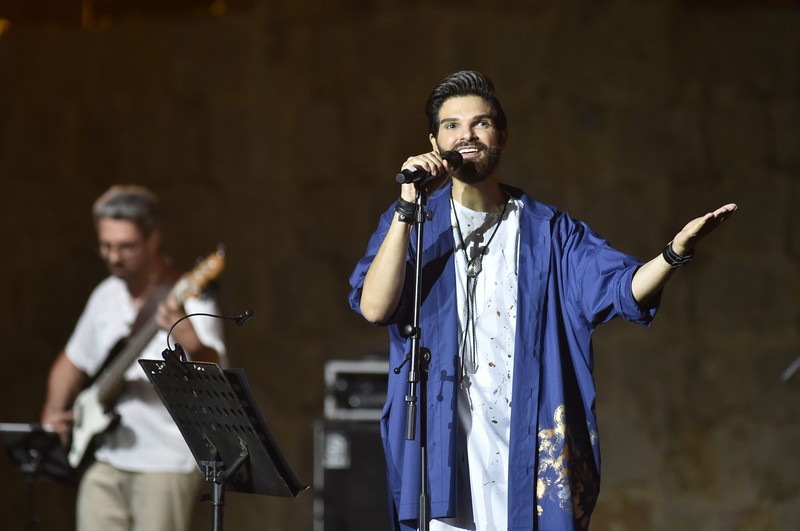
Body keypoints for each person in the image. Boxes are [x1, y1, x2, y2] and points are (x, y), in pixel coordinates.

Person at [348, 70, 737, 531]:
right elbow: (374, 307)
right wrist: (407, 208)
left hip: (525, 449)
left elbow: (620, 287)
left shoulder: (549, 231)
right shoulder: (413, 224)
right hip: (444, 454)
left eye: (481, 123)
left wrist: (673, 254)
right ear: (433, 141)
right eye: (452, 125)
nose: (466, 135)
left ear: (503, 136)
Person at [40, 185, 226, 531]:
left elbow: (217, 374)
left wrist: (191, 342)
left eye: (125, 246)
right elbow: (71, 360)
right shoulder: (105, 295)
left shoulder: (192, 298)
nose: (113, 256)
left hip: (166, 461)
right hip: (107, 457)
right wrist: (54, 408)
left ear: (153, 239)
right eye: (106, 246)